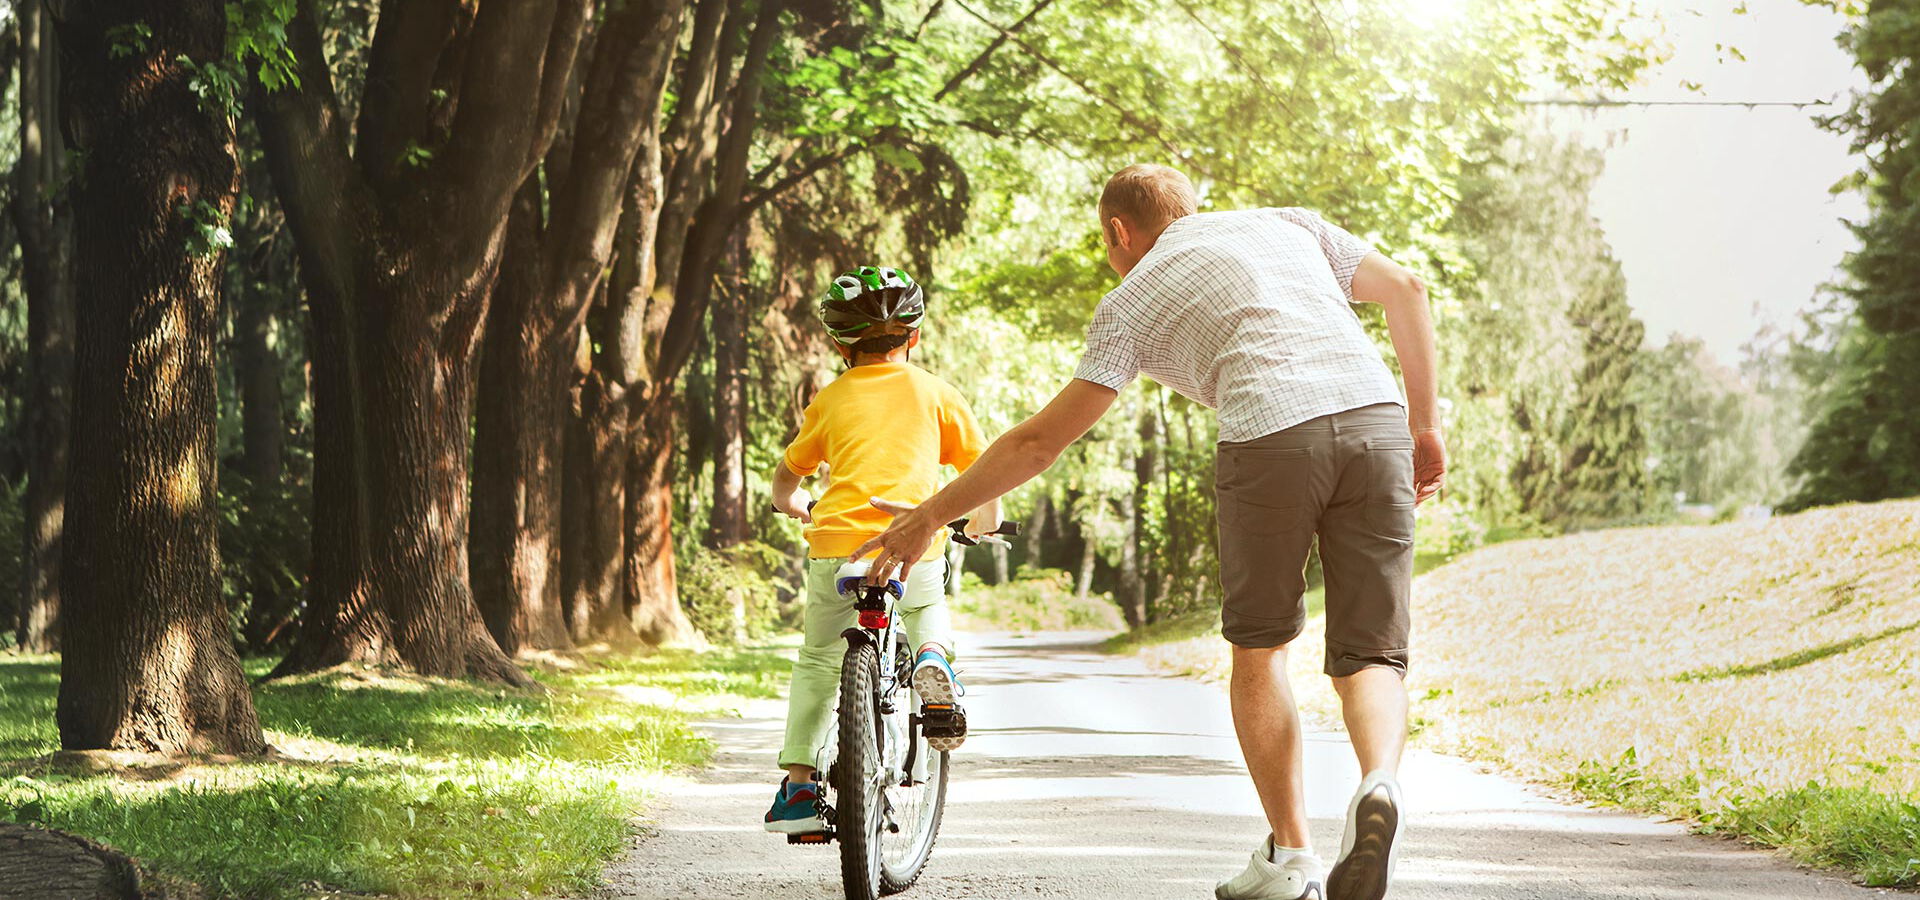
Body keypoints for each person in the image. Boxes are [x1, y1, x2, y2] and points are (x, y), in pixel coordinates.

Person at [850, 165, 1445, 900]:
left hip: (1268, 434)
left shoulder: (1131, 299)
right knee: (1371, 652)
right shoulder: (1289, 222)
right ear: (1191, 209)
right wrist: (1425, 426)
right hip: (1375, 419)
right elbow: (1408, 290)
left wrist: (928, 516)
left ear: (1117, 232)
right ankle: (1378, 785)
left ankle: (1292, 857)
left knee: (1261, 654)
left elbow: (1039, 443)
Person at [761, 265, 1002, 835]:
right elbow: (983, 473)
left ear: (839, 343)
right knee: (922, 606)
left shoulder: (830, 399)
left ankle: (798, 790)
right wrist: (982, 523)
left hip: (838, 550)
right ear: (914, 336)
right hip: (912, 544)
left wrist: (789, 501)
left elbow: (789, 473)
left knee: (820, 659)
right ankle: (933, 660)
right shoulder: (937, 393)